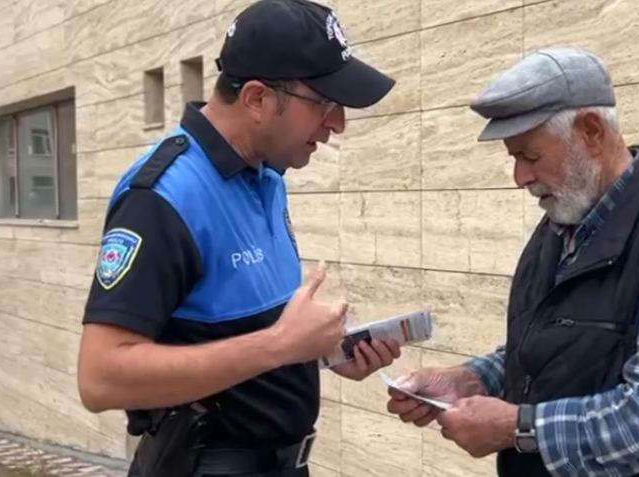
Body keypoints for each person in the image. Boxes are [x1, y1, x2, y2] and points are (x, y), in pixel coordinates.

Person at [76, 0, 402, 475]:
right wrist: (282, 346)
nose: (337, 126)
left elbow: (243, 335)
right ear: (256, 98)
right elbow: (101, 378)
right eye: (326, 104)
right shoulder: (164, 196)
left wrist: (321, 350)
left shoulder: (266, 176)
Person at [386, 47, 639, 477]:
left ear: (591, 131)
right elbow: (547, 355)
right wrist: (469, 381)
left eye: (530, 156)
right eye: (514, 158)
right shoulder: (562, 221)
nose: (520, 178)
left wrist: (516, 429)